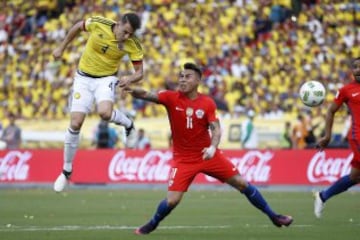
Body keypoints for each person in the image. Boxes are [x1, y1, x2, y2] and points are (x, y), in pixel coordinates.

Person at [127, 63, 293, 235]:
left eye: (187, 76)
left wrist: (213, 147)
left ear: (198, 80)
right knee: (171, 201)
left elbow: (216, 129)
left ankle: (274, 216)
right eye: (181, 76)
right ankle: (153, 223)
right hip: (183, 160)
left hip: (208, 155)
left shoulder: (207, 103)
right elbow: (146, 94)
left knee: (242, 183)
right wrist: (130, 88)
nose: (182, 79)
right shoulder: (170, 97)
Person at [53, 13, 144, 192]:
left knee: (104, 113)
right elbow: (78, 27)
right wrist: (61, 47)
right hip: (83, 78)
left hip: (106, 78)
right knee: (75, 123)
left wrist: (130, 79)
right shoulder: (98, 23)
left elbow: (140, 72)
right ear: (119, 23)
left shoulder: (132, 44)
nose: (126, 37)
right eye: (125, 32)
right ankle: (66, 170)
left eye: (130, 34)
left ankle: (128, 125)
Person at [314, 57, 360, 218]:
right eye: (355, 67)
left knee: (355, 177)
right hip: (357, 136)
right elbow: (331, 111)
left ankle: (323, 196)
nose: (358, 70)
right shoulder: (346, 90)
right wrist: (327, 135)